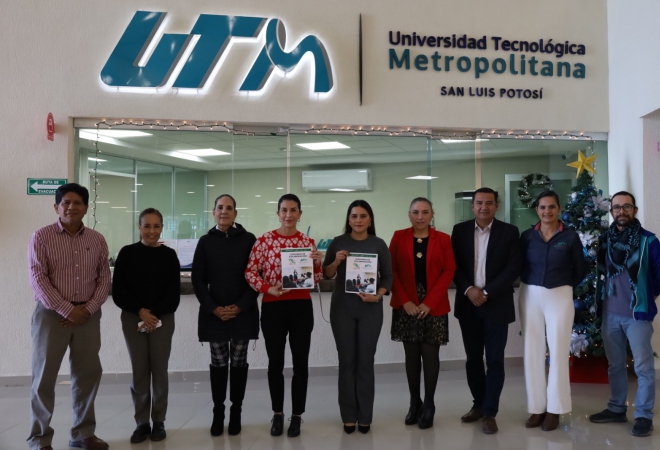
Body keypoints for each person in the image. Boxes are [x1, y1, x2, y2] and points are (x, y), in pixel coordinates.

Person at [27, 183, 112, 450]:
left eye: (78, 203)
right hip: (51, 316)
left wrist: (87, 309)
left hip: (88, 316)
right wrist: (67, 310)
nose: (71, 207)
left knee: (87, 375)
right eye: (66, 202)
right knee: (44, 378)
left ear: (86, 208)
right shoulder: (41, 237)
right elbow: (38, 279)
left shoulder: (97, 240)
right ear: (57, 207)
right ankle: (40, 439)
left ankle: (83, 434)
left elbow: (104, 279)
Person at [245, 194, 323, 438]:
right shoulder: (264, 241)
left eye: (293, 210)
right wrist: (268, 289)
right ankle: (277, 414)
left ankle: (297, 416)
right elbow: (250, 272)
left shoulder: (308, 242)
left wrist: (318, 263)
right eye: (284, 210)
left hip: (301, 307)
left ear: (300, 213)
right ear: (278, 213)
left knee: (301, 363)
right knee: (275, 363)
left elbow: (316, 278)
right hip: (273, 307)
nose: (288, 215)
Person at [589, 191, 660, 437]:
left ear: (634, 210)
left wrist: (647, 296)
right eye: (617, 207)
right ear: (611, 212)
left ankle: (643, 415)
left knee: (643, 367)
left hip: (636, 316)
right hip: (609, 314)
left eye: (626, 206)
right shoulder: (605, 240)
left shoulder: (648, 241)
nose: (621, 211)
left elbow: (658, 275)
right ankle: (617, 408)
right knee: (615, 365)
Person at [451, 187, 521, 435]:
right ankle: (478, 405)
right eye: (479, 203)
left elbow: (513, 268)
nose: (484, 207)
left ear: (496, 206)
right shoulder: (459, 231)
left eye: (489, 203)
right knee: (473, 359)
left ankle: (490, 412)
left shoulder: (509, 232)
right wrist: (468, 289)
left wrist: (487, 291)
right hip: (468, 304)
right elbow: (453, 266)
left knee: (494, 360)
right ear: (472, 206)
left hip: (497, 304)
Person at [323, 200, 393, 435]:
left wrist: (378, 295)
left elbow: (388, 277)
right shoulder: (338, 242)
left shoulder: (379, 244)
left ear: (370, 219)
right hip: (342, 309)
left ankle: (365, 416)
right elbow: (327, 274)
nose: (358, 220)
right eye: (354, 216)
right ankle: (348, 416)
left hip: (370, 309)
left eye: (363, 216)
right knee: (346, 362)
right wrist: (336, 261)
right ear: (349, 219)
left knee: (365, 362)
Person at [192, 194, 259, 437]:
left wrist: (240, 306)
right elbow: (198, 280)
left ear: (235, 214)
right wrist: (213, 308)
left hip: (243, 313)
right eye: (220, 207)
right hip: (215, 315)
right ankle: (218, 412)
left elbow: (256, 277)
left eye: (229, 208)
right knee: (219, 364)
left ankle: (236, 412)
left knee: (239, 364)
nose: (224, 211)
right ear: (213, 212)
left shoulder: (249, 240)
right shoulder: (205, 242)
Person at [112, 208, 181, 443]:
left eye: (156, 226)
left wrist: (154, 315)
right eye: (147, 226)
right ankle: (142, 422)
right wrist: (142, 312)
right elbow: (119, 291)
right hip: (133, 317)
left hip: (163, 318)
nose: (152, 231)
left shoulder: (169, 256)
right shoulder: (127, 253)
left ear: (162, 228)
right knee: (139, 370)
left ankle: (159, 421)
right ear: (139, 227)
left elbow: (173, 293)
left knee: (159, 370)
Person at [519, 191, 586, 431]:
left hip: (560, 294)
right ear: (537, 210)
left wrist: (563, 285)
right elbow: (519, 264)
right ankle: (537, 407)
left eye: (551, 207)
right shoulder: (527, 236)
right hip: (530, 293)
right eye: (542, 207)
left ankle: (555, 409)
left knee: (558, 351)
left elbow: (580, 269)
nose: (547, 211)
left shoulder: (570, 236)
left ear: (559, 209)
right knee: (532, 351)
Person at [389, 197, 456, 430]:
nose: (420, 217)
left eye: (425, 212)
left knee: (430, 355)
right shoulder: (398, 237)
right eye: (416, 212)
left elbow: (449, 270)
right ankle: (414, 402)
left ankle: (429, 404)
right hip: (406, 304)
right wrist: (405, 301)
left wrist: (429, 302)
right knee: (411, 356)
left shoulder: (443, 239)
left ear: (432, 214)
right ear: (409, 214)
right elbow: (391, 271)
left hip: (433, 305)